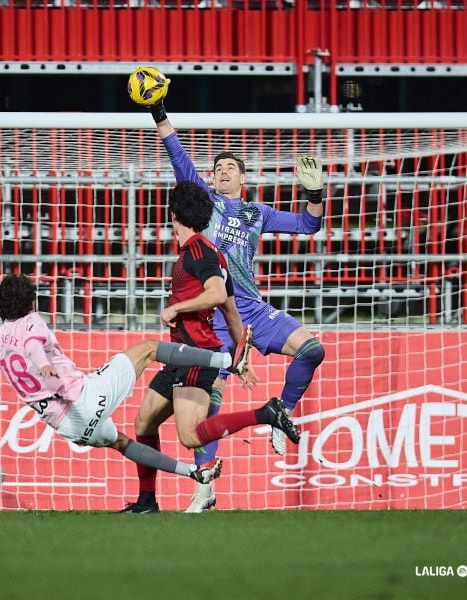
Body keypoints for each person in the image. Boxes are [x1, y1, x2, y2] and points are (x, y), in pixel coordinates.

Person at [138, 87, 326, 513]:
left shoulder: (256, 213)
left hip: (253, 309)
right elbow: (177, 153)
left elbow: (309, 225)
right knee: (202, 413)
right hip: (215, 317)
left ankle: (282, 411)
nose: (220, 172)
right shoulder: (203, 201)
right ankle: (205, 488)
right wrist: (158, 111)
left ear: (243, 179)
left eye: (228, 168)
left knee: (314, 349)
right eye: (217, 167)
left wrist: (316, 194)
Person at [0, 272, 242, 497]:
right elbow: (31, 345)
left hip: (68, 426)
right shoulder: (32, 322)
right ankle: (225, 359)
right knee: (148, 348)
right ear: (31, 302)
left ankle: (194, 473)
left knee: (122, 443)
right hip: (86, 398)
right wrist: (41, 363)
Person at [121, 181, 300, 514]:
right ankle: (146, 502)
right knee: (144, 422)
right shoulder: (212, 253)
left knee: (190, 436)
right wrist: (239, 358)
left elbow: (217, 295)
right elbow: (232, 314)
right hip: (183, 355)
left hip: (195, 355)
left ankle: (267, 413)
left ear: (172, 214)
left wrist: (176, 308)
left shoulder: (199, 252)